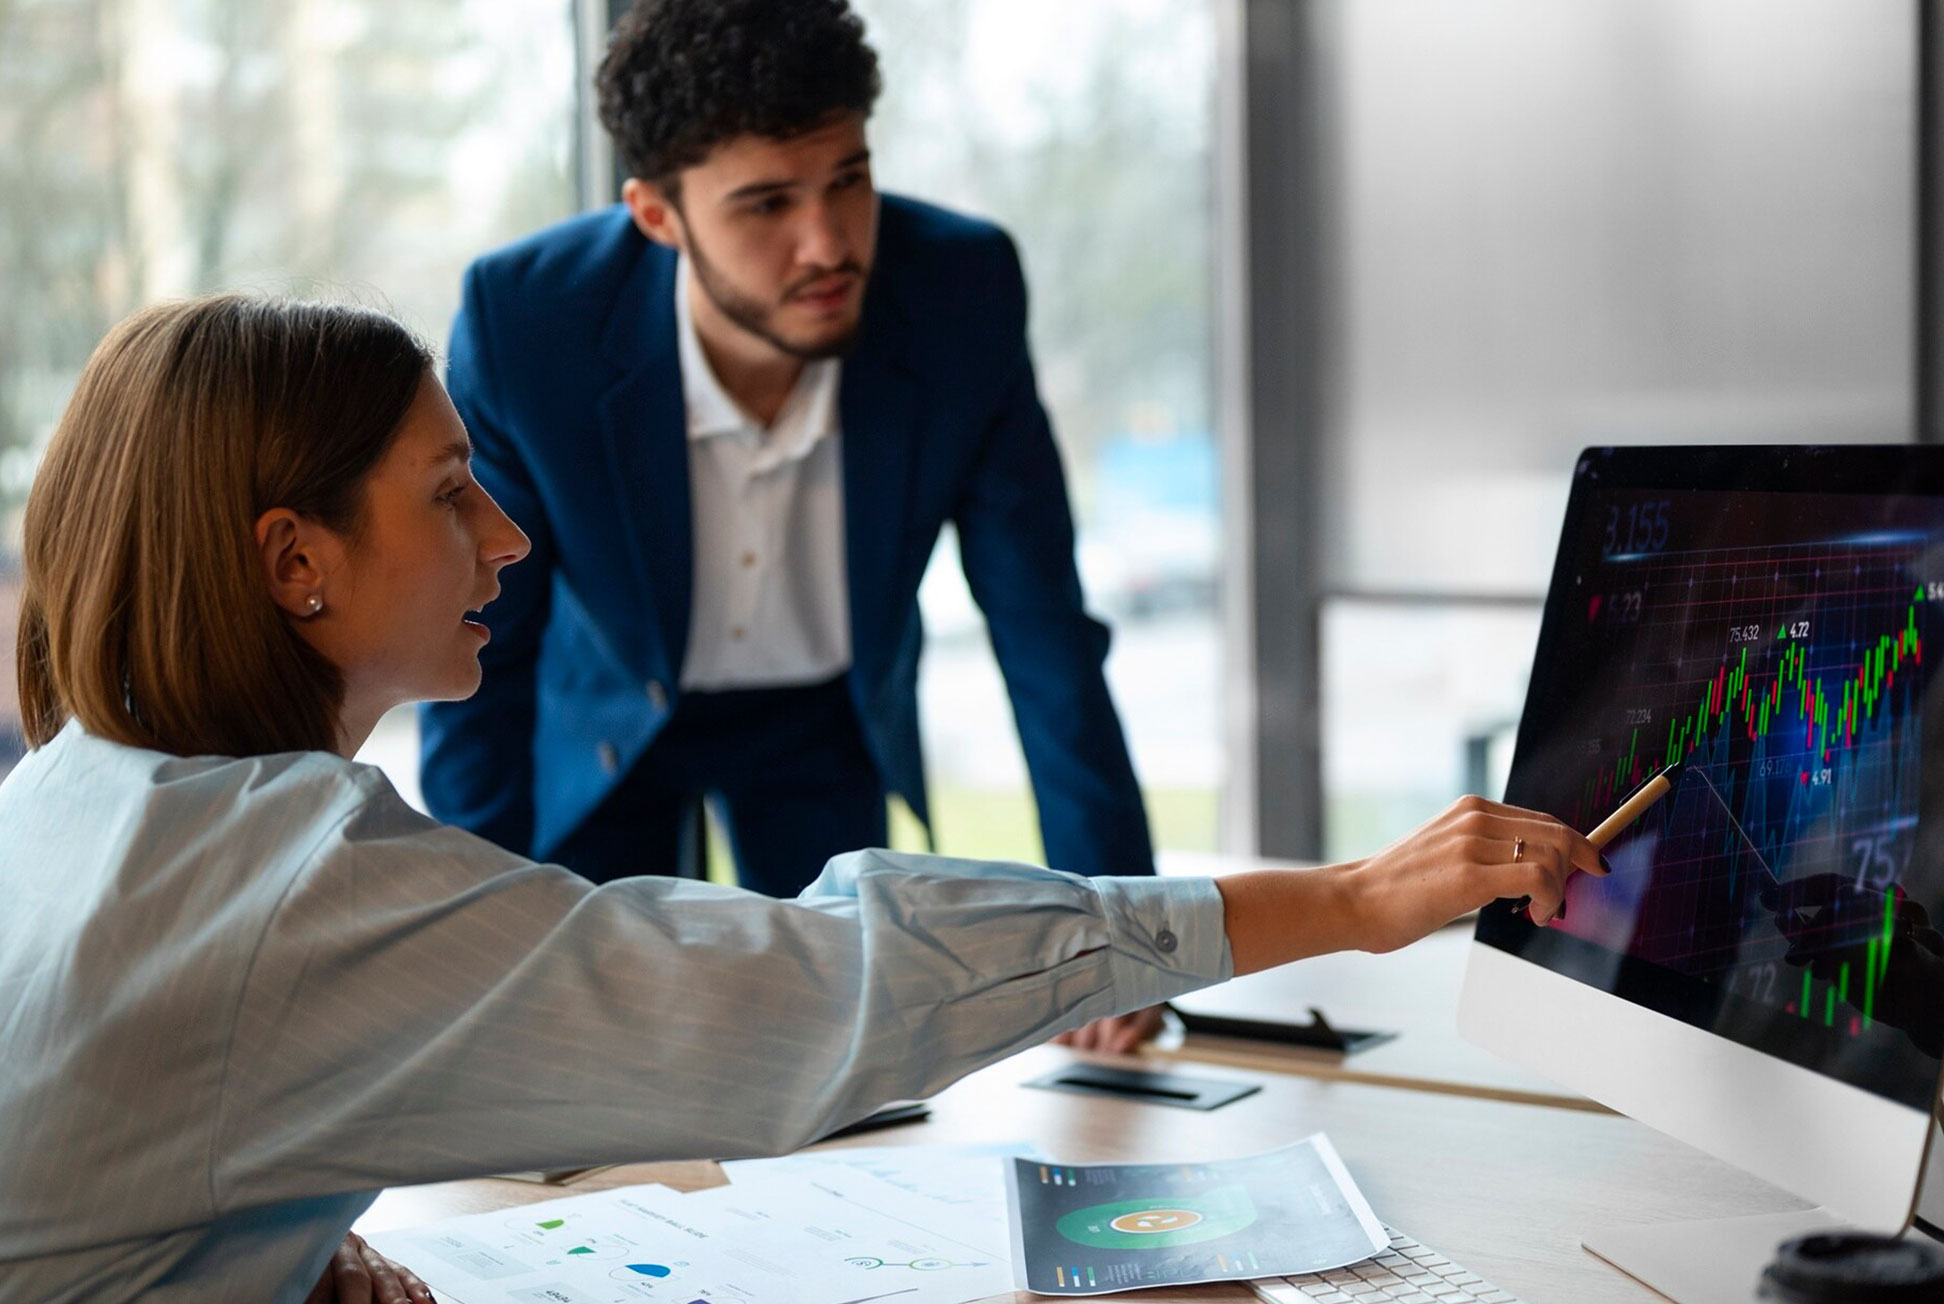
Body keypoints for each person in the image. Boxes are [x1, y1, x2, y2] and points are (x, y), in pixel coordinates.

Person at [0, 294, 1603, 1302]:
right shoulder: (278, 883)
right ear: (295, 564)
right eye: (447, 493)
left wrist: (263, 1246)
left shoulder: (79, 801)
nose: (506, 538)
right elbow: (806, 989)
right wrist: (1341, 901)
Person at [418, 0, 1155, 957]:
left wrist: (1121, 927)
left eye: (849, 181)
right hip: (607, 725)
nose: (830, 244)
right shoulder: (530, 323)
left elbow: (1043, 632)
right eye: (768, 203)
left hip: (825, 720)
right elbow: (485, 646)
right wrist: (474, 933)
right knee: (594, 1035)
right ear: (656, 214)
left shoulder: (958, 293)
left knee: (850, 1047)